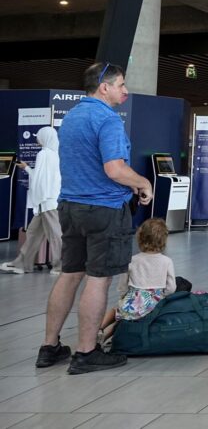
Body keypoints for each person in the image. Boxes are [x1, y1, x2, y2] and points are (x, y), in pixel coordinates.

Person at [36, 62, 153, 374]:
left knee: (70, 274)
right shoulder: (108, 119)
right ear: (104, 87)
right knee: (99, 278)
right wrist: (143, 183)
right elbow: (114, 169)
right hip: (103, 209)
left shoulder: (72, 117)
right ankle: (86, 352)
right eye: (121, 84)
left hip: (70, 206)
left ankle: (49, 347)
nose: (125, 90)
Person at [98, 218, 176, 345]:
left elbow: (123, 286)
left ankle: (99, 329)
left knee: (117, 311)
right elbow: (171, 288)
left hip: (132, 302)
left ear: (140, 238)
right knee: (122, 320)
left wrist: (123, 296)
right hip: (154, 305)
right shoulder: (167, 261)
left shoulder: (132, 260)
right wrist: (162, 295)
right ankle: (107, 336)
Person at [2, 126, 62, 275]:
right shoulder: (56, 154)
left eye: (39, 136)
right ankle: (22, 264)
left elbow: (39, 180)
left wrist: (27, 170)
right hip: (48, 201)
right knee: (33, 234)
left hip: (46, 202)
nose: (36, 138)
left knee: (55, 235)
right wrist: (27, 168)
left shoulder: (44, 154)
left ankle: (62, 266)